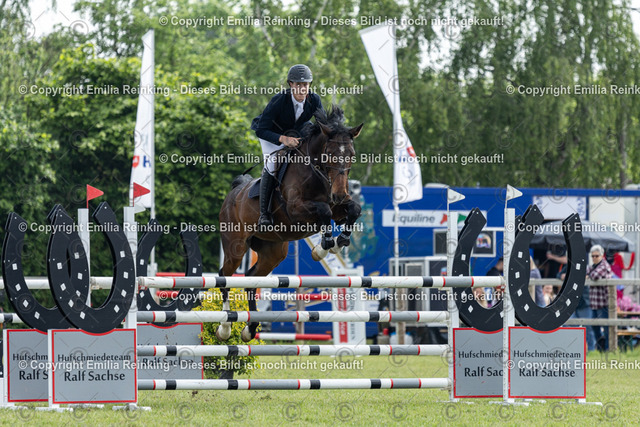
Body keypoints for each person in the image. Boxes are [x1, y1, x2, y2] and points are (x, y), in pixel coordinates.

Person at [250, 64, 324, 230]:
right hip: (271, 134)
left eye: (305, 84)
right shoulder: (279, 100)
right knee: (272, 164)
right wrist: (283, 139)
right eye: (298, 85)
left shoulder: (314, 99)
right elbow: (261, 130)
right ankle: (264, 214)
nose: (302, 89)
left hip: (295, 133)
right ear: (291, 84)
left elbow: (323, 126)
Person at [586, 245, 612, 351]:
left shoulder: (604, 265)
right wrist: (588, 275)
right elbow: (584, 273)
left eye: (596, 256)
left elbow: (595, 276)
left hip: (604, 303)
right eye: (592, 256)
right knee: (594, 326)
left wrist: (588, 275)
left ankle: (608, 349)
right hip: (594, 303)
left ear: (602, 256)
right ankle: (601, 348)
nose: (594, 258)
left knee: (606, 327)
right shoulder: (592, 266)